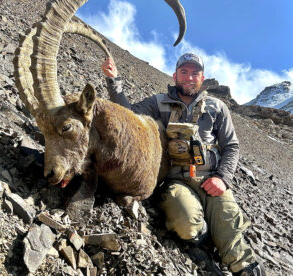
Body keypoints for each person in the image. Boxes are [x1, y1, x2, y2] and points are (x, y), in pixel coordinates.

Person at [101, 53, 266, 276]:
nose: (189, 77)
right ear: (175, 75)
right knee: (186, 224)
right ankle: (205, 239)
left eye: (195, 73)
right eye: (184, 72)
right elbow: (128, 118)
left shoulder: (217, 107)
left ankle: (243, 267)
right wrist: (114, 82)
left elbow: (231, 147)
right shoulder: (158, 102)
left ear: (202, 77)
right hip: (176, 180)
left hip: (211, 180)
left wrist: (222, 178)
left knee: (231, 232)